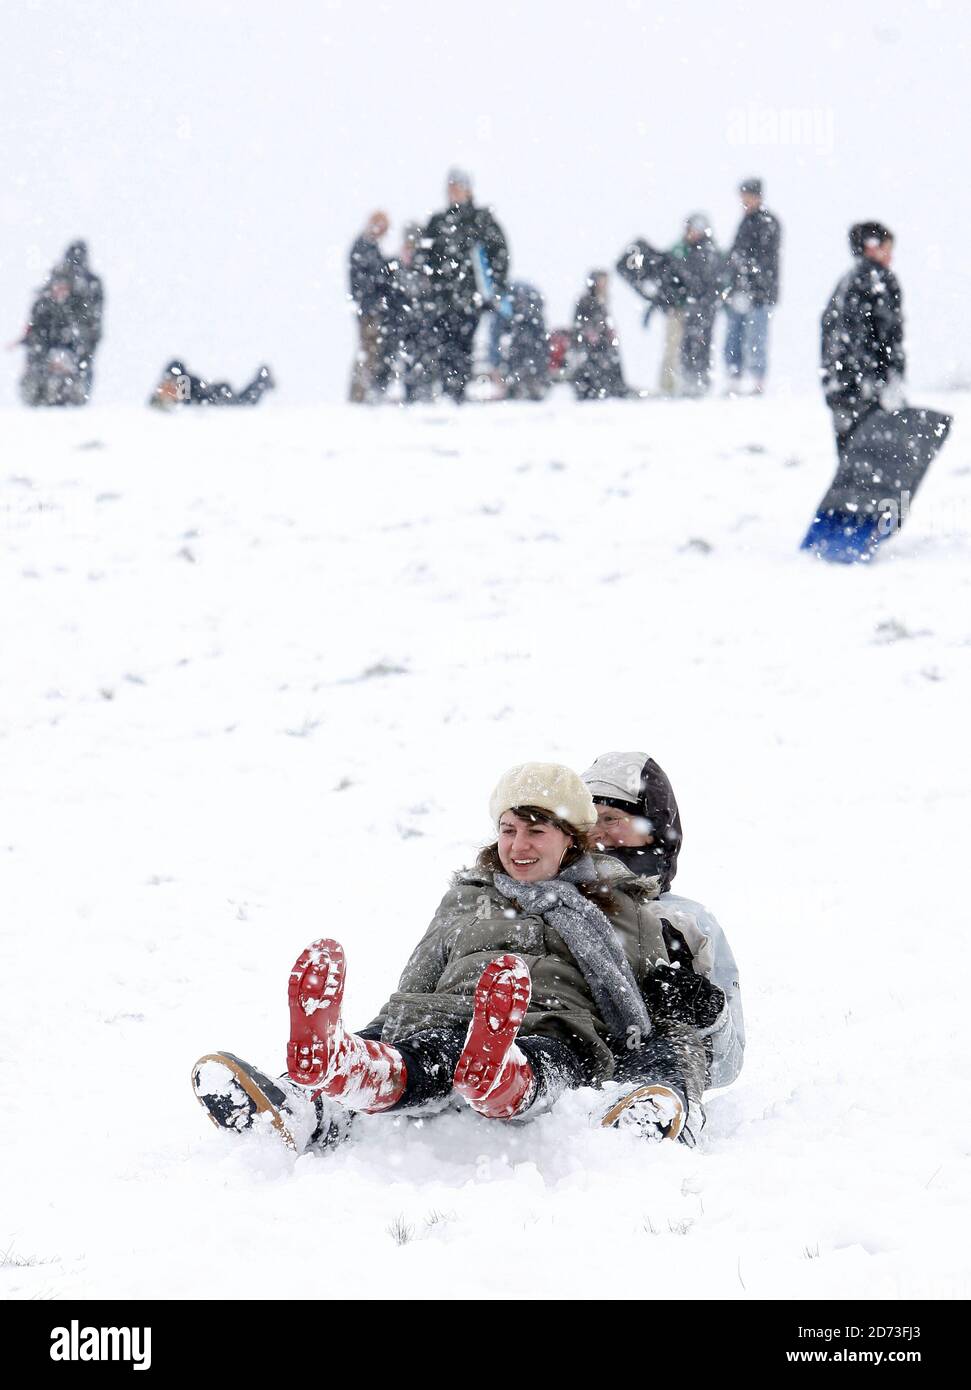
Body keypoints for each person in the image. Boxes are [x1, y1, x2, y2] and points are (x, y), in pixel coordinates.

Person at [193, 762, 716, 1151]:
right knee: (426, 1048)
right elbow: (419, 977)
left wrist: (682, 997)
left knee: (542, 1055)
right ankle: (328, 1077)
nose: (520, 845)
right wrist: (382, 1030)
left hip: (557, 1025)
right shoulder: (467, 896)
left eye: (537, 831)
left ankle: (501, 1076)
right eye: (509, 830)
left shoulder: (620, 903)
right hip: (457, 1013)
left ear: (571, 841)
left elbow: (638, 996)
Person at [582, 751, 744, 1094]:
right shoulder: (555, 902)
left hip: (650, 1076)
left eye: (610, 818)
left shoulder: (691, 923)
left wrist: (707, 1015)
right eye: (587, 820)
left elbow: (728, 1066)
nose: (596, 833)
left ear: (653, 829)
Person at [417, 169, 509, 402]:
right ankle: (449, 391)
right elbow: (424, 257)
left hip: (472, 299)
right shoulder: (437, 223)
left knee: (468, 345)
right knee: (445, 347)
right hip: (443, 301)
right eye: (451, 188)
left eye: (458, 187)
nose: (454, 193)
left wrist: (495, 287)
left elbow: (500, 256)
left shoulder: (482, 221)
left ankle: (460, 391)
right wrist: (429, 281)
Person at [820, 221, 904, 463]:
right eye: (887, 248)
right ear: (871, 247)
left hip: (842, 388)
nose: (891, 256)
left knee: (851, 466)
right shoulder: (877, 281)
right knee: (877, 467)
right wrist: (884, 380)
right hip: (864, 389)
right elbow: (884, 336)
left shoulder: (845, 282)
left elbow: (830, 334)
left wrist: (834, 382)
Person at [19, 240, 104, 406]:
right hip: (53, 350)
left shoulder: (86, 292)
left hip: (72, 350)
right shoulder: (48, 302)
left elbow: (90, 330)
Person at [723, 178, 781, 394]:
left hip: (759, 294)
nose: (744, 201)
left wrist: (750, 280)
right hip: (741, 291)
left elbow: (764, 260)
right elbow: (736, 256)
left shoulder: (767, 222)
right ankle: (734, 379)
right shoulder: (746, 222)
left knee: (756, 337)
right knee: (734, 336)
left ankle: (757, 381)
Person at [348, 210, 394, 403]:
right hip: (368, 310)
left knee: (371, 352)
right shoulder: (363, 246)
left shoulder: (369, 246)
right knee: (368, 352)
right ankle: (359, 395)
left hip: (371, 308)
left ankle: (365, 393)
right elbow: (367, 279)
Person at [573, 271, 629, 400]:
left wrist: (609, 332)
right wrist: (590, 332)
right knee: (599, 361)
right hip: (590, 345)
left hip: (602, 343)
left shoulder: (602, 300)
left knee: (611, 357)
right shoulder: (585, 300)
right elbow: (579, 323)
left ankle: (614, 389)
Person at [149, 359, 275, 408]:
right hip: (218, 394)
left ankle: (261, 380)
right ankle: (261, 380)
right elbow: (154, 403)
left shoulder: (188, 382)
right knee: (245, 400)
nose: (170, 384)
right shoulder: (168, 385)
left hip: (219, 396)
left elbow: (188, 401)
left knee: (246, 402)